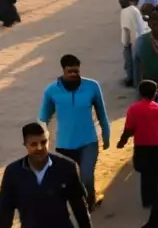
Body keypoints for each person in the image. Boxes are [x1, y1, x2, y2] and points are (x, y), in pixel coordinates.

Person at [39, 55, 111, 212]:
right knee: (67, 179)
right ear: (63, 70)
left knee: (86, 176)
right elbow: (43, 117)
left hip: (89, 141)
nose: (73, 75)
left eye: (76, 71)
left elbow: (102, 112)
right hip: (64, 144)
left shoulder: (92, 86)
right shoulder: (51, 91)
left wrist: (106, 135)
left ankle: (89, 203)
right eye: (70, 71)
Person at [117, 81, 158, 207]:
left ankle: (147, 201)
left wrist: (122, 142)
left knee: (145, 175)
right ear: (155, 93)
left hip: (141, 146)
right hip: (157, 146)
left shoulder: (133, 109)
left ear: (140, 93)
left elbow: (129, 129)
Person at [120, 0, 147, 87]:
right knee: (136, 62)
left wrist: (126, 43)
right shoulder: (134, 9)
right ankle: (137, 81)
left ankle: (130, 80)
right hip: (139, 37)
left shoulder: (125, 11)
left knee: (130, 61)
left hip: (131, 40)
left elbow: (126, 29)